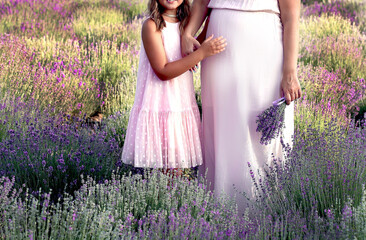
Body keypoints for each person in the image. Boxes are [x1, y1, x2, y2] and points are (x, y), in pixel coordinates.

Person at [181, 0, 302, 211]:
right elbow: (201, 2)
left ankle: (264, 211)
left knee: (259, 131)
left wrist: (290, 72)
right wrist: (187, 33)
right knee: (223, 125)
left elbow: (291, 18)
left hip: (264, 55)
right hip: (219, 57)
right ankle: (217, 207)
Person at [121, 0, 227, 176]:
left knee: (175, 170)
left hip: (179, 104)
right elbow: (162, 71)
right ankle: (167, 199)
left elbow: (190, 51)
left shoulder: (185, 26)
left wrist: (210, 20)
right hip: (161, 106)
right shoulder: (152, 25)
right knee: (166, 170)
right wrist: (202, 53)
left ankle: (172, 198)